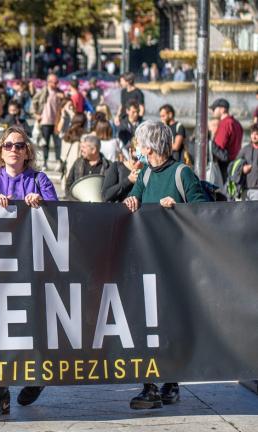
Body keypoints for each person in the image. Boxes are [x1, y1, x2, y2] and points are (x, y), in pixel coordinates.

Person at [0, 125, 57, 419]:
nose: (14, 150)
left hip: (32, 267)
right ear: (0, 150)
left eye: (19, 146)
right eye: (8, 145)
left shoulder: (40, 179)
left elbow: (60, 217)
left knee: (34, 327)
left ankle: (37, 377)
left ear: (27, 151)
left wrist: (41, 204)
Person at [123, 121, 207, 410]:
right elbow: (134, 196)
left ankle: (169, 384)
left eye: (139, 144)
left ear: (149, 147)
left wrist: (179, 209)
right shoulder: (145, 173)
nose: (137, 149)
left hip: (175, 264)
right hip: (147, 260)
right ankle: (151, 387)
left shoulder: (182, 173)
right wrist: (132, 198)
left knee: (167, 325)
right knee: (148, 324)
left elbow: (206, 211)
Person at [30, 74, 62, 169]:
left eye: (57, 82)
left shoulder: (59, 93)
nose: (56, 84)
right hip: (45, 121)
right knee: (45, 143)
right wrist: (35, 114)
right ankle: (45, 162)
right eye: (54, 82)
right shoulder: (43, 92)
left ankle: (58, 162)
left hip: (56, 122)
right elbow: (33, 102)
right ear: (49, 82)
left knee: (57, 143)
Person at [210, 98, 243, 184]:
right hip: (235, 163)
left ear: (223, 109)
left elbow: (218, 147)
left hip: (224, 166)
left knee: (223, 194)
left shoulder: (225, 123)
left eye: (214, 109)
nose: (212, 111)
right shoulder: (237, 123)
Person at [102, 138, 143, 202]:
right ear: (131, 151)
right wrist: (128, 180)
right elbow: (105, 195)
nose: (138, 163)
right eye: (135, 159)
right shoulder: (117, 167)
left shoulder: (148, 169)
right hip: (119, 209)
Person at [236, 123, 258, 201]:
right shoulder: (245, 150)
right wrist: (242, 169)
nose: (254, 136)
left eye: (256, 134)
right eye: (252, 134)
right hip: (245, 189)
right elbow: (234, 166)